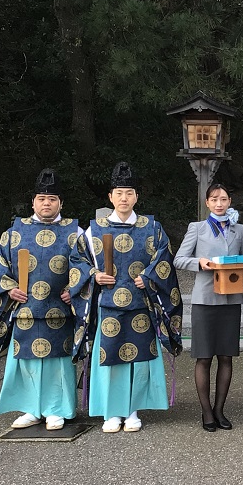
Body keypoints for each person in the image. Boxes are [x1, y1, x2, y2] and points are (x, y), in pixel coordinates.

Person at [68, 162, 182, 433]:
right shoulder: (94, 229)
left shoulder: (152, 228)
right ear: (110, 197)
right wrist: (94, 275)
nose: (124, 198)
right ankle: (111, 411)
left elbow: (164, 257)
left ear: (136, 197)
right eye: (119, 193)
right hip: (107, 305)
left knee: (138, 360)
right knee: (110, 361)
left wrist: (150, 277)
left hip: (140, 304)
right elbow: (77, 260)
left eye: (129, 193)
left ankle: (132, 410)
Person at [0, 169, 79, 430]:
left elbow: (85, 265)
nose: (46, 204)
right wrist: (8, 289)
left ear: (60, 203)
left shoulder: (76, 232)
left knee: (57, 363)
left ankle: (57, 409)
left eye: (52, 199)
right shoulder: (14, 232)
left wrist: (74, 288)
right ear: (33, 202)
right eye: (41, 198)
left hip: (60, 308)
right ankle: (30, 409)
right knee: (26, 361)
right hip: (25, 308)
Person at [173, 183, 243, 432]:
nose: (219, 203)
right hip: (205, 298)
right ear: (207, 203)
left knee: (226, 356)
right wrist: (200, 262)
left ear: (229, 201)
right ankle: (206, 412)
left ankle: (220, 409)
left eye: (224, 199)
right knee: (204, 357)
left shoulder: (238, 228)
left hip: (231, 299)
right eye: (214, 199)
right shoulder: (198, 228)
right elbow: (179, 259)